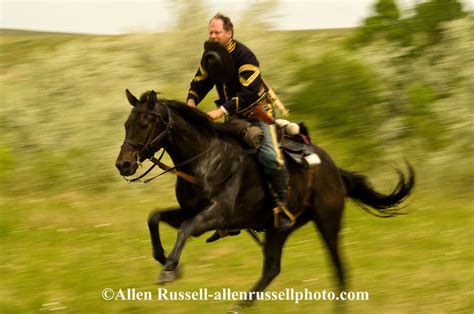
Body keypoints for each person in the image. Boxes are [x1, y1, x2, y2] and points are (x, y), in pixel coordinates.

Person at [186, 13, 295, 242]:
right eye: (210, 32)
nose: (212, 36)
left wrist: (220, 112)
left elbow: (248, 93)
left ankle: (282, 206)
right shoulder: (210, 55)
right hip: (233, 117)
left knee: (269, 157)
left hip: (258, 115)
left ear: (229, 33)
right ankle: (226, 218)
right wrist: (191, 102)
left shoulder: (245, 56)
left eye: (216, 32)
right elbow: (199, 82)